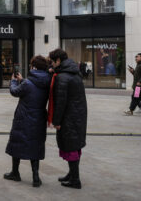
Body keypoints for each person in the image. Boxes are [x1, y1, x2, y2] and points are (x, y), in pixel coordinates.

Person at [4, 55, 51, 188]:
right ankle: (35, 177)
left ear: (33, 67)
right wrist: (23, 80)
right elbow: (34, 88)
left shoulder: (27, 83)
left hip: (23, 117)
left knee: (17, 142)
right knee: (35, 145)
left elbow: (15, 92)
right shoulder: (47, 81)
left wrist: (13, 81)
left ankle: (15, 172)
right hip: (39, 118)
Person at [49, 48, 87, 189]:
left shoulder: (63, 77)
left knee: (70, 146)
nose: (51, 65)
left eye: (52, 62)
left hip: (69, 117)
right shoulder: (74, 73)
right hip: (78, 115)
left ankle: (75, 180)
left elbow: (60, 102)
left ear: (58, 61)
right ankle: (71, 174)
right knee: (75, 146)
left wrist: (56, 121)